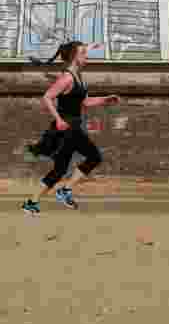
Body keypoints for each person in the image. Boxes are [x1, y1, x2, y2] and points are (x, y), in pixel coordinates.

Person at [22, 41, 120, 215]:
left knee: (60, 169)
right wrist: (58, 119)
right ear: (75, 57)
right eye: (83, 54)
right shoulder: (67, 77)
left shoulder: (78, 76)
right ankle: (65, 191)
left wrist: (105, 99)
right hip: (68, 128)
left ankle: (31, 202)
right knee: (94, 157)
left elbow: (86, 102)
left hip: (71, 128)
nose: (86, 57)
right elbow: (47, 97)